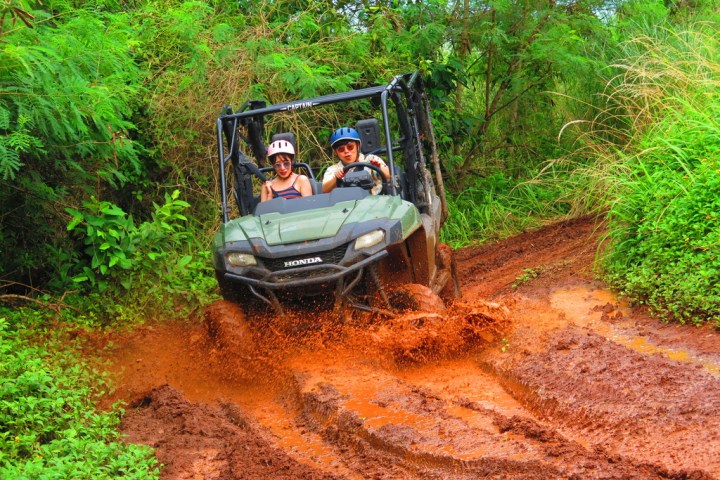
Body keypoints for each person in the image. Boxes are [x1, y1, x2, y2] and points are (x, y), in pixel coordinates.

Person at [322, 127, 391, 195]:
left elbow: (390, 176)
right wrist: (337, 178)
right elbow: (325, 190)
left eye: (350, 147)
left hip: (376, 202)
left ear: (358, 146)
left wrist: (379, 167)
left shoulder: (371, 160)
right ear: (336, 152)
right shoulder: (333, 170)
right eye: (341, 149)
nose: (346, 151)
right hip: (348, 204)